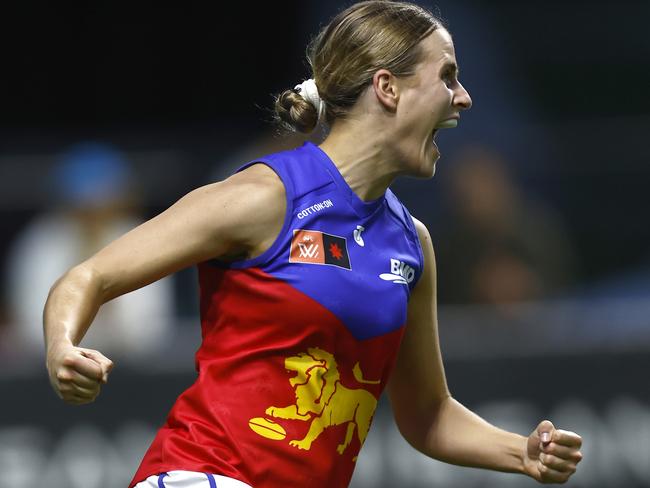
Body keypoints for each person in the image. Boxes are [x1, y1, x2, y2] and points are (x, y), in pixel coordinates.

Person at [43, 2, 583, 487]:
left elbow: (428, 416)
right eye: (447, 76)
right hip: (203, 475)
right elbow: (87, 278)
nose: (463, 97)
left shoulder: (411, 245)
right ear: (387, 88)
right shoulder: (264, 196)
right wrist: (63, 347)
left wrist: (523, 453)